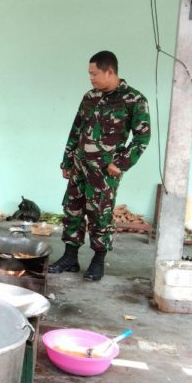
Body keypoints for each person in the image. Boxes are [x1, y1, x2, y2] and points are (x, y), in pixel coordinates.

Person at [48, 50, 151, 281]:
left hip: (104, 171)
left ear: (110, 71)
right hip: (79, 166)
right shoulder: (89, 97)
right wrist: (67, 160)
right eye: (90, 74)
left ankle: (97, 261)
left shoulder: (133, 99)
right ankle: (70, 257)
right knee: (72, 210)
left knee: (100, 214)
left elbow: (142, 138)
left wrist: (121, 164)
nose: (91, 78)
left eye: (94, 74)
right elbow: (76, 130)